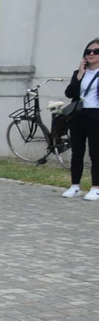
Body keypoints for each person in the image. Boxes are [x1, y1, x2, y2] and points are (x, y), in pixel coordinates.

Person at [62, 38, 99, 201]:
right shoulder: (78, 73)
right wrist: (80, 74)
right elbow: (69, 94)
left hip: (96, 115)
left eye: (96, 51)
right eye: (88, 51)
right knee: (77, 152)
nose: (91, 54)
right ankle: (75, 186)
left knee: (95, 153)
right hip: (78, 115)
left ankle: (96, 188)